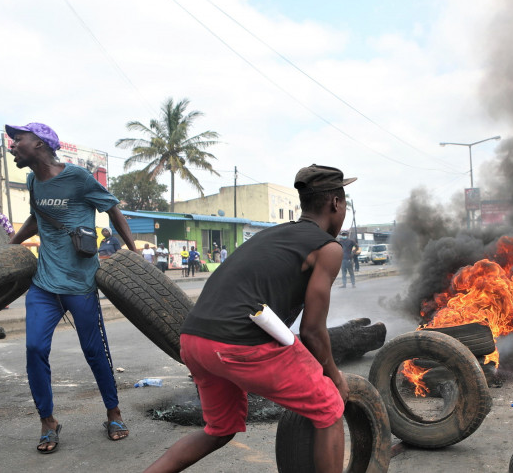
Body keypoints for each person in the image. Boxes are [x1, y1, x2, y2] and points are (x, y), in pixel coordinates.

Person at [143, 164, 355, 473]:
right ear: (337, 204)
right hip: (238, 342)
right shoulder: (328, 247)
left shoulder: (271, 235)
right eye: (344, 204)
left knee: (219, 428)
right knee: (330, 408)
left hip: (193, 339)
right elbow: (311, 331)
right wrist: (335, 377)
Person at [6, 122, 137, 454]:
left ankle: (113, 413)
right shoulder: (33, 180)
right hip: (44, 283)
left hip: (80, 284)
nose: (13, 144)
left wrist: (135, 253)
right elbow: (38, 217)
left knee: (95, 352)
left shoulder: (78, 178)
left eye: (18, 139)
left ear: (39, 144)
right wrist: (10, 245)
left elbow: (112, 209)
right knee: (35, 349)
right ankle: (48, 422)